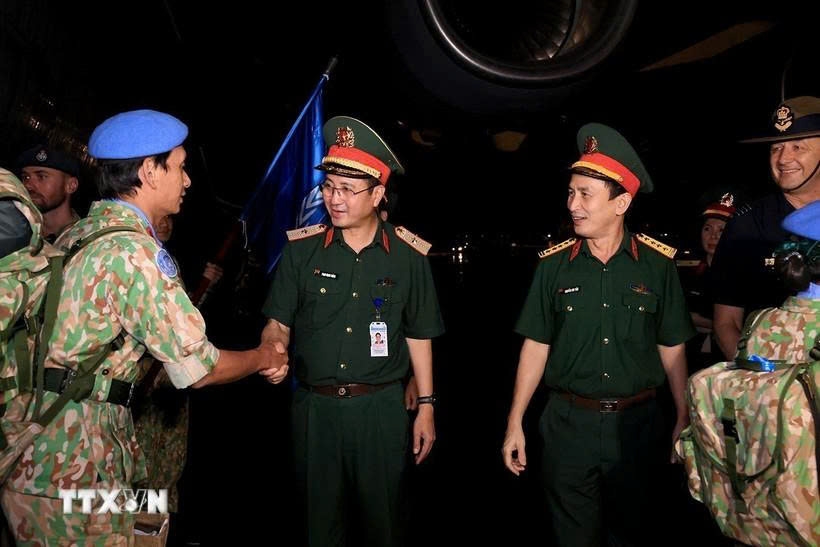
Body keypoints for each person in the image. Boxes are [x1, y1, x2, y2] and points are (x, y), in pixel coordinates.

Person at [0, 109, 288, 545]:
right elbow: (199, 368)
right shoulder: (132, 254)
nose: (187, 180)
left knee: (145, 520)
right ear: (150, 172)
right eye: (180, 166)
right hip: (75, 469)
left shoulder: (77, 237)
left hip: (38, 453)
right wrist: (264, 356)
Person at [501, 123, 696, 546]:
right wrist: (515, 420)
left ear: (622, 202)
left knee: (634, 533)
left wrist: (682, 415)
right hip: (568, 427)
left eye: (585, 194)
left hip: (638, 427)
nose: (573, 204)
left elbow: (672, 346)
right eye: (571, 192)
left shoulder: (657, 267)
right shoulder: (553, 267)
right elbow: (535, 345)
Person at [261, 115, 445, 547]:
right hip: (314, 411)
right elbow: (278, 320)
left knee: (384, 523)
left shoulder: (408, 257)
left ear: (378, 193)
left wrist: (427, 406)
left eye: (347, 189)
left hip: (379, 411)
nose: (333, 199)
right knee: (317, 526)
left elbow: (420, 334)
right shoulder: (301, 251)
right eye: (328, 187)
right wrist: (274, 342)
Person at [712, 96, 820, 359]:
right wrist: (760, 384)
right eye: (776, 148)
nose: (784, 159)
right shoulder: (747, 225)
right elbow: (727, 323)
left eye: (798, 146)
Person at [680, 193, 736, 373]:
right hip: (688, 359)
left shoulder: (740, 275)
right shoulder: (686, 271)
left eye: (721, 230)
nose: (713, 236)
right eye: (707, 229)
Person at [15, 144, 82, 243]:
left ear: (71, 185)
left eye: (41, 177)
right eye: (26, 177)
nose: (28, 186)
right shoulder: (14, 227)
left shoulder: (82, 240)